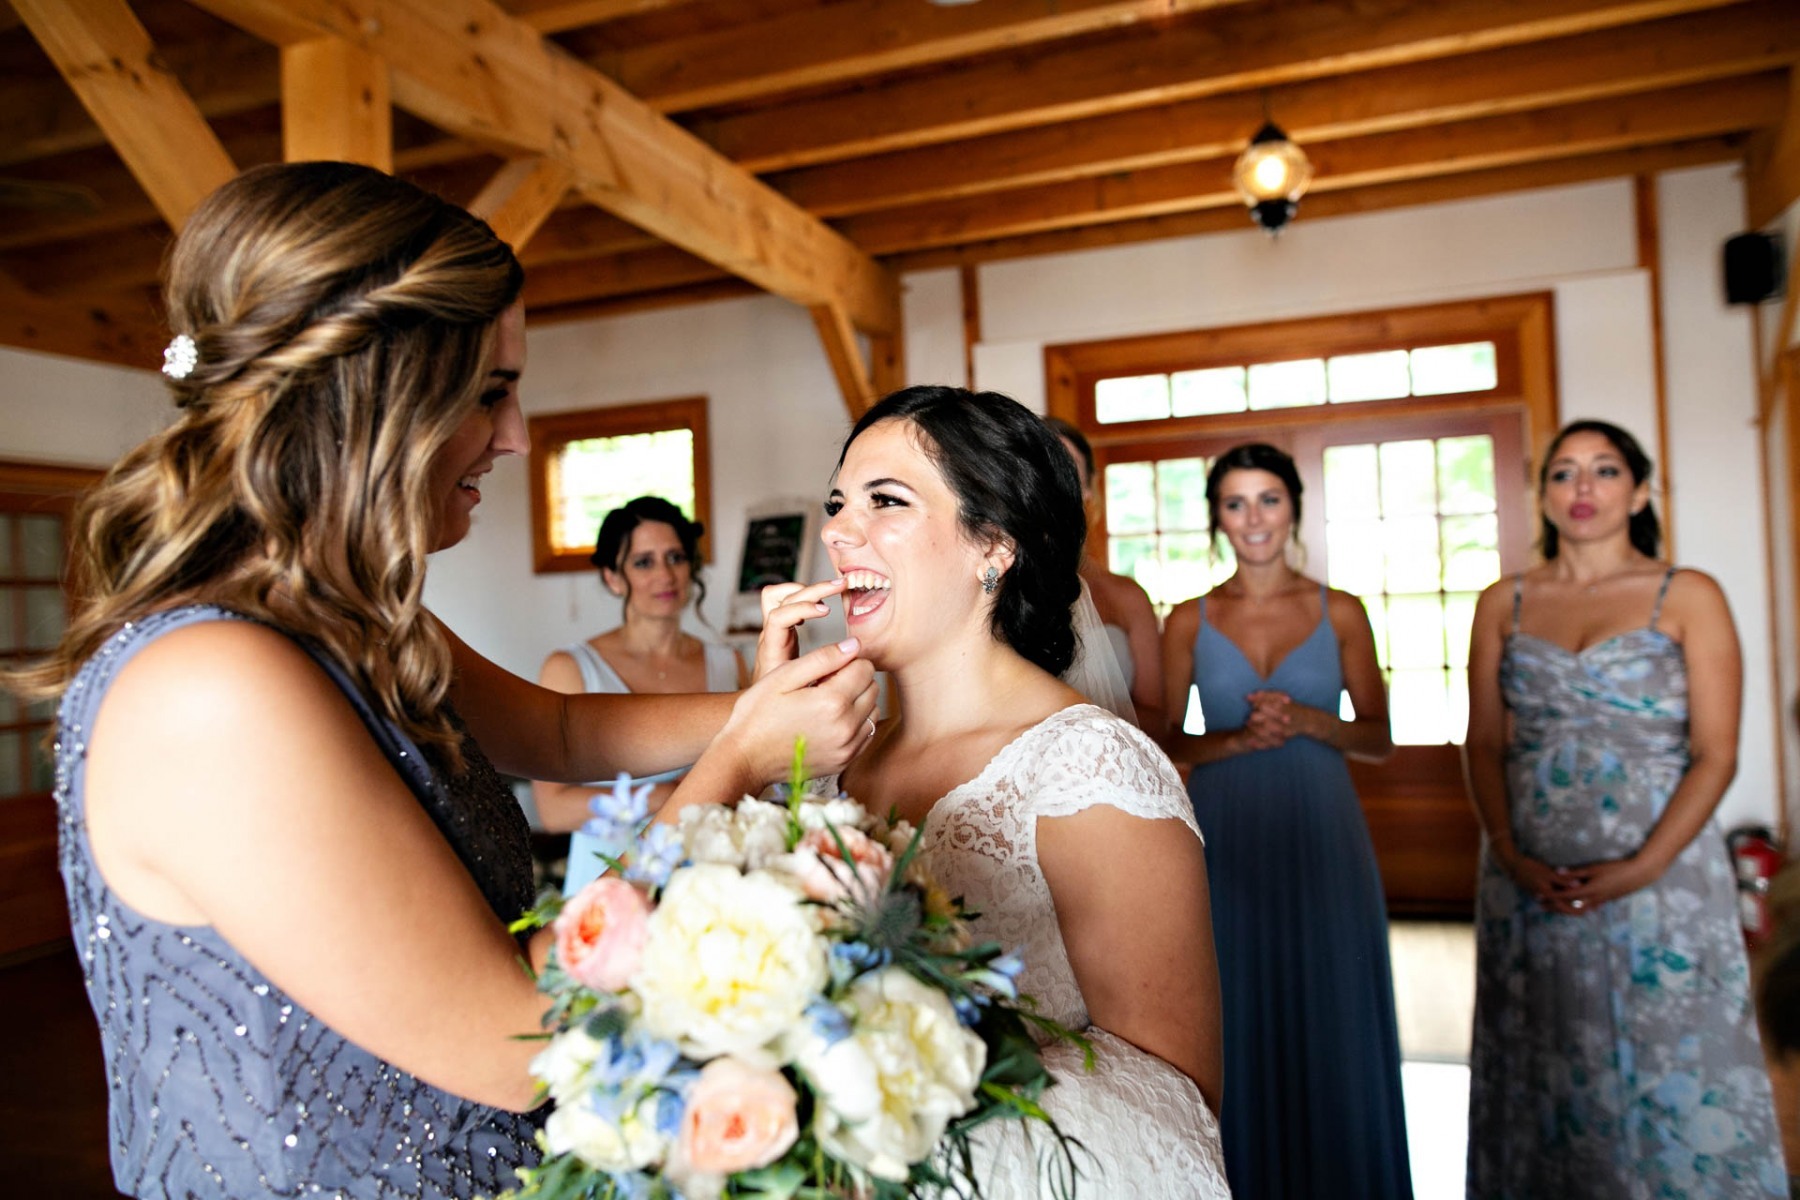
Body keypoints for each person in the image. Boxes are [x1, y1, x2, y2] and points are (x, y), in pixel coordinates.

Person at [5, 162, 877, 1200]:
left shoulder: (350, 615)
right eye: (490, 393)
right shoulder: (212, 689)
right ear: (375, 398)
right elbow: (519, 1036)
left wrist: (766, 704)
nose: (514, 437)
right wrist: (744, 756)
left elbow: (554, 732)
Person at [739, 385, 1231, 1199]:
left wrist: (908, 1121)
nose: (834, 530)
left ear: (993, 546)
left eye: (884, 500)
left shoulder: (1087, 766)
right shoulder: (824, 763)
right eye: (836, 504)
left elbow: (1173, 1093)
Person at [1464, 419, 1786, 1197]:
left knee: (1672, 1056)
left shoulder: (1689, 593)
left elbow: (1718, 751)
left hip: (1662, 872)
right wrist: (1509, 852)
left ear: (1638, 491)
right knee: (1545, 1056)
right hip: (1529, 872)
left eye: (1604, 471)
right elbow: (1483, 744)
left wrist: (1643, 865)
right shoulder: (1501, 601)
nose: (1583, 490)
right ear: (1542, 494)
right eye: (1565, 473)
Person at [1159, 442, 1411, 1200]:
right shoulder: (1187, 620)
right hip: (1227, 830)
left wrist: (1310, 720)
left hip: (1323, 830)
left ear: (1294, 507)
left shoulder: (1341, 611)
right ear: (1217, 519)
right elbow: (1165, 738)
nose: (1254, 519)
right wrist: (1235, 739)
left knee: (1331, 1009)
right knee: (1235, 1010)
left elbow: (1379, 739)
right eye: (1235, 504)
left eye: (1268, 499)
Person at [532, 496, 747, 891]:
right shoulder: (570, 669)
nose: (665, 575)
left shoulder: (728, 665)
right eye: (644, 562)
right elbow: (553, 809)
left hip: (707, 879)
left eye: (676, 557)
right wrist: (668, 795)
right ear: (614, 578)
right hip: (606, 880)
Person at [1045, 417, 1165, 732]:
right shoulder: (988, 588)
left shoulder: (1127, 597)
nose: (1055, 484)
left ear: (1087, 489)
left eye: (1068, 470)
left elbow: (1158, 718)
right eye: (1041, 468)